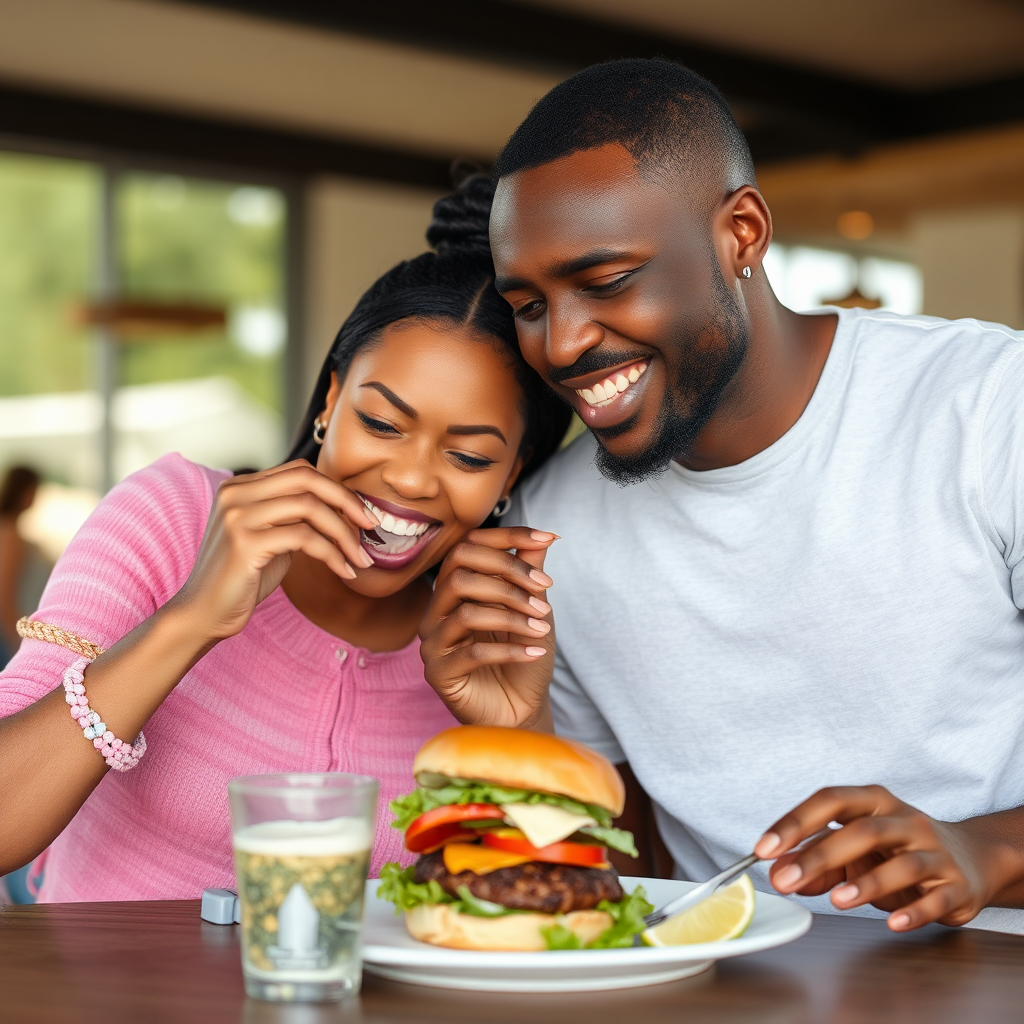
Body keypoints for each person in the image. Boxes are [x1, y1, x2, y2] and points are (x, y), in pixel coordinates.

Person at [419, 60, 1024, 933]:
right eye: (529, 303)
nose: (563, 342)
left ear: (742, 232)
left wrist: (988, 852)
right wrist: (527, 727)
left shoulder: (990, 408)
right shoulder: (548, 534)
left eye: (606, 280)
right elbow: (619, 875)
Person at [0, 175, 570, 902]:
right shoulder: (173, 516)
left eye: (468, 457)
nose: (413, 479)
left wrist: (520, 732)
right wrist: (191, 619)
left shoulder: (490, 639)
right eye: (383, 423)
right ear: (332, 400)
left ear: (511, 475)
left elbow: (564, 928)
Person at [0, 465, 49, 666]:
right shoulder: (10, 535)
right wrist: (19, 643)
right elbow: (4, 596)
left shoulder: (11, 531)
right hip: (10, 635)